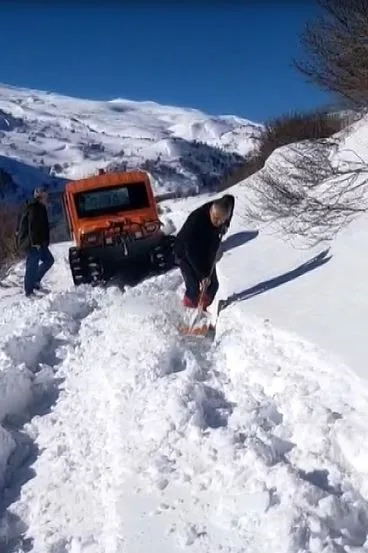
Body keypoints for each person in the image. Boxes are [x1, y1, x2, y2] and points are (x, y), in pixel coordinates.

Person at [174, 194, 234, 310]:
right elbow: (191, 252)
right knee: (193, 287)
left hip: (206, 249)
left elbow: (230, 198)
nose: (217, 222)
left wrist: (227, 224)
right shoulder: (196, 220)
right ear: (211, 210)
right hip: (184, 252)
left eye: (221, 220)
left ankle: (202, 307)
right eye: (215, 218)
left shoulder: (222, 210)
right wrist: (203, 275)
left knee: (213, 285)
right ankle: (189, 310)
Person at [20, 187, 54, 297]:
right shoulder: (34, 208)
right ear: (41, 196)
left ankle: (35, 281)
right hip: (32, 242)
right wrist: (35, 242)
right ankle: (29, 291)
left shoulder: (40, 207)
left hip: (39, 242)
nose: (47, 197)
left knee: (49, 260)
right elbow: (32, 226)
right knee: (32, 265)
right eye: (45, 195)